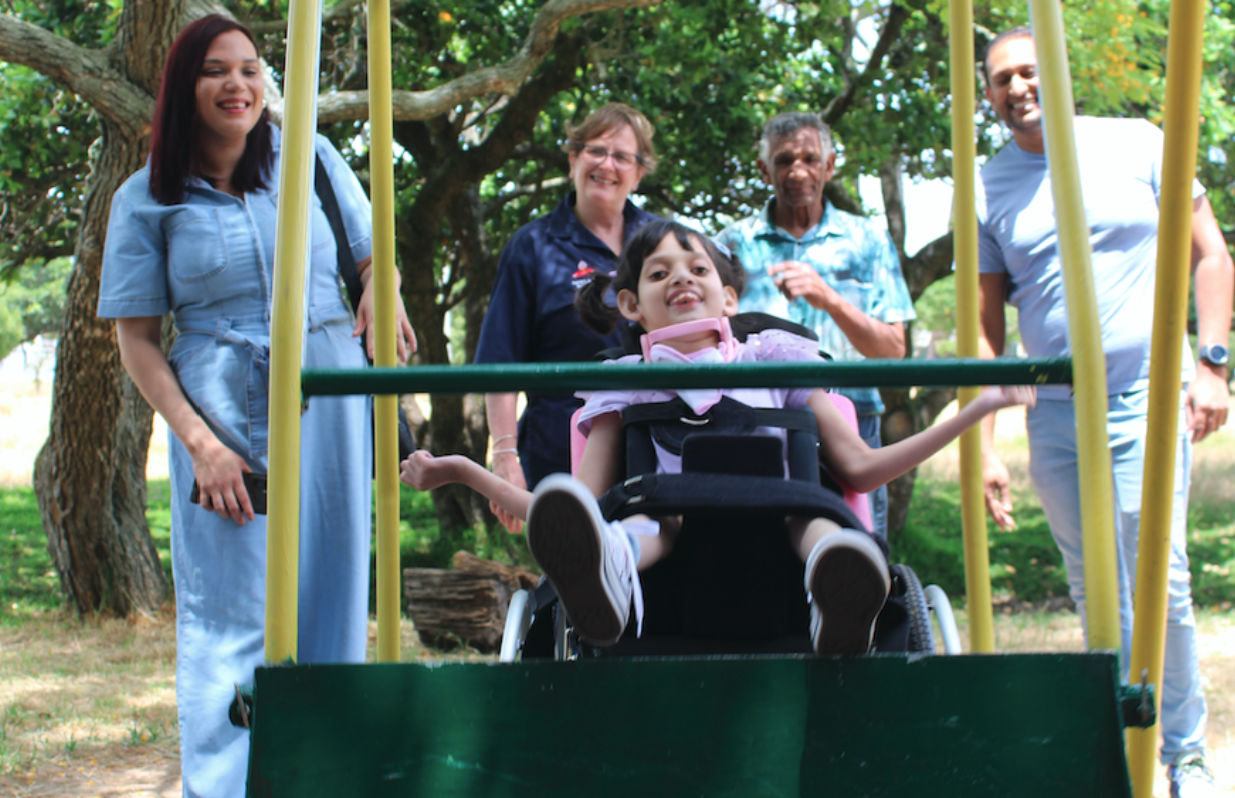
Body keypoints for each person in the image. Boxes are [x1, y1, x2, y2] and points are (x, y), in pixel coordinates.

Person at [405, 220, 1034, 654]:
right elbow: (572, 510)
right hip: (668, 547)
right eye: (658, 273)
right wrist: (465, 468)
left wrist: (973, 410)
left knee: (807, 513)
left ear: (728, 296)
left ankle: (839, 588)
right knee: (635, 519)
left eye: (697, 267)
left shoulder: (780, 360)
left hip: (784, 542)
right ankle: (607, 580)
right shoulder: (624, 385)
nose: (681, 278)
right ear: (631, 306)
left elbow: (862, 467)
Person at [95, 16, 416, 798]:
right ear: (184, 87)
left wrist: (380, 286)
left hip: (332, 388)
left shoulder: (306, 153)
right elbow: (135, 339)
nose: (238, 85)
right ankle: (226, 785)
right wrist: (200, 443)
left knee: (334, 596)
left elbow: (373, 252)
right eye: (216, 70)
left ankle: (329, 778)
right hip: (222, 407)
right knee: (230, 615)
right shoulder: (145, 196)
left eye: (250, 69)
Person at [975, 28, 1233, 798]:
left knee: (1160, 575)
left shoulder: (1134, 142)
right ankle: (1125, 739)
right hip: (1056, 411)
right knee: (1090, 584)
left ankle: (1183, 750)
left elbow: (1211, 255)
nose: (1017, 87)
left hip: (1145, 396)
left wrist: (1211, 364)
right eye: (999, 80)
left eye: (1027, 71)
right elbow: (986, 324)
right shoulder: (988, 183)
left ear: (1056, 72)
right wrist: (985, 443)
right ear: (986, 96)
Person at [717, 112, 916, 541]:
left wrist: (828, 298)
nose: (798, 171)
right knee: (757, 547)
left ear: (830, 165)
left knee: (858, 545)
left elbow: (893, 350)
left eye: (810, 158)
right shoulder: (731, 244)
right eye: (785, 160)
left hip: (852, 417)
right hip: (759, 420)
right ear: (763, 169)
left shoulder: (868, 239)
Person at [475, 103, 660, 532]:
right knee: (574, 574)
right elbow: (500, 360)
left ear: (639, 172)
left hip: (654, 441)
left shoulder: (661, 240)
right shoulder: (532, 245)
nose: (607, 165)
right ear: (574, 158)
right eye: (596, 150)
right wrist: (504, 456)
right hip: (560, 447)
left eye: (622, 157)